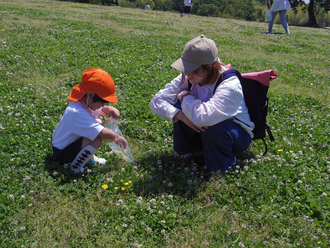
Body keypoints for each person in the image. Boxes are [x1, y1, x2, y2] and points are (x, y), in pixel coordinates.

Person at [149, 35, 254, 173]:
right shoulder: (190, 76)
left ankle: (224, 165)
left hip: (235, 134)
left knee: (211, 124)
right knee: (180, 108)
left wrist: (186, 96)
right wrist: (180, 115)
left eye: (191, 69)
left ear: (209, 67)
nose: (186, 73)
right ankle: (193, 151)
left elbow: (203, 117)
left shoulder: (230, 85)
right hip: (207, 126)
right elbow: (156, 102)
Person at [52, 68, 127, 173]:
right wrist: (117, 137)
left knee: (99, 122)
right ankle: (76, 167)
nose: (103, 105)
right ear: (90, 95)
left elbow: (98, 110)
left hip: (68, 145)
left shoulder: (84, 103)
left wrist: (109, 109)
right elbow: (101, 132)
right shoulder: (77, 112)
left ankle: (85, 157)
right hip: (62, 154)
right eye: (103, 102)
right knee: (97, 139)